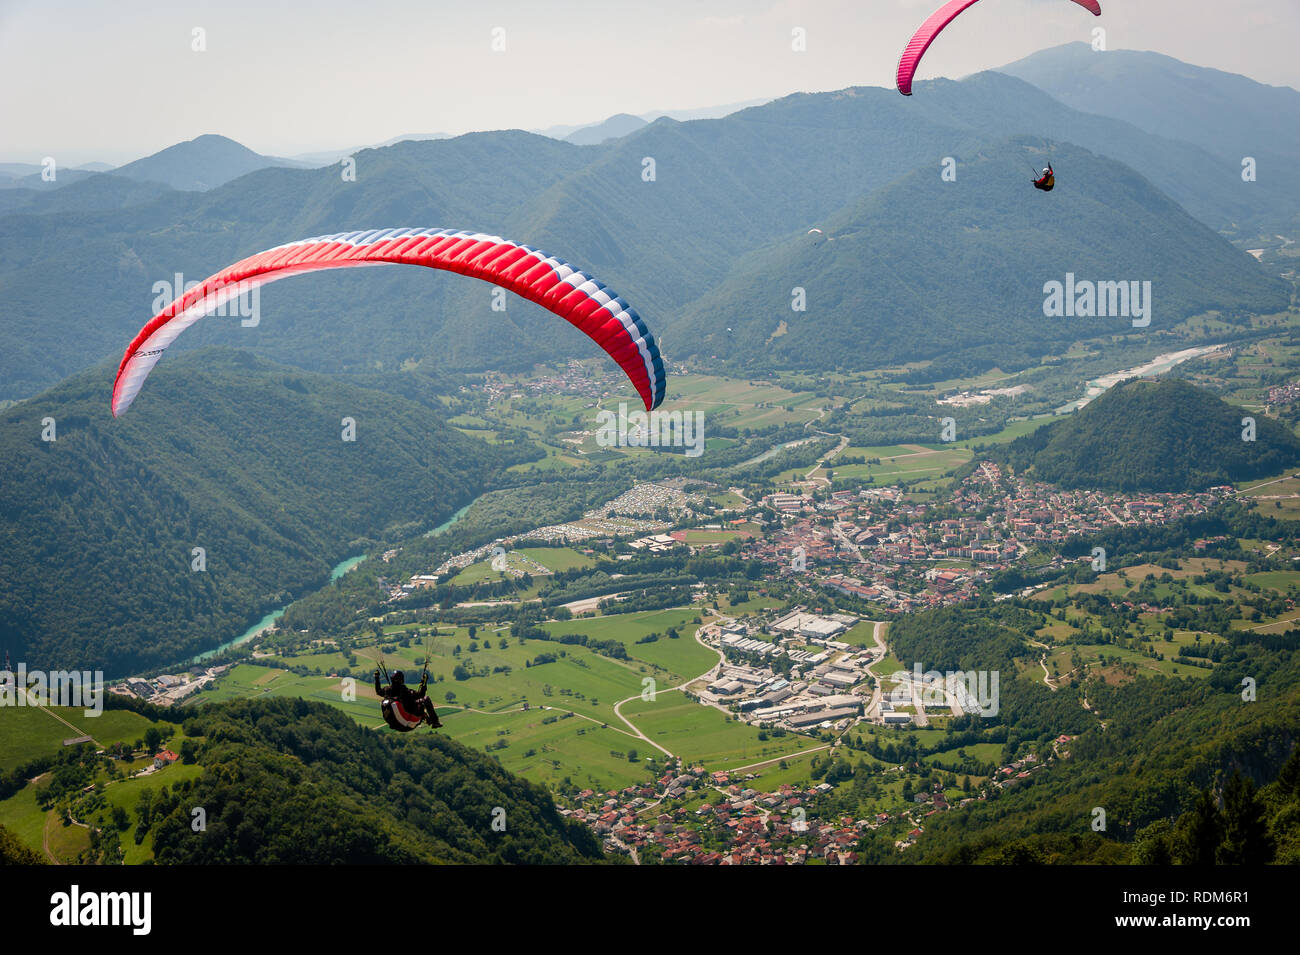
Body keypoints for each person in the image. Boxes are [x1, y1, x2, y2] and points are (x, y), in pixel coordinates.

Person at [374, 668, 442, 731]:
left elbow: (378, 691)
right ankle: (435, 722)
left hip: (396, 725)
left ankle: (425, 717)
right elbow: (421, 695)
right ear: (401, 680)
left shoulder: (387, 690)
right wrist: (424, 683)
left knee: (413, 704)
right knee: (425, 699)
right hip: (408, 723)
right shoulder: (406, 692)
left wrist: (377, 677)